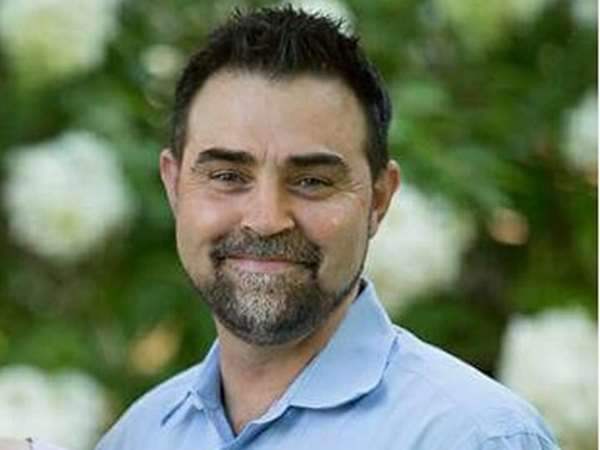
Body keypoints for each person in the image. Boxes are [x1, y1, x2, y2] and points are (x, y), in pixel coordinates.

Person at [96, 7, 560, 450]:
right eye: (227, 176)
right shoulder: (138, 438)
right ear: (175, 187)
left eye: (312, 181)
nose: (265, 219)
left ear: (379, 199)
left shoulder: (475, 438)